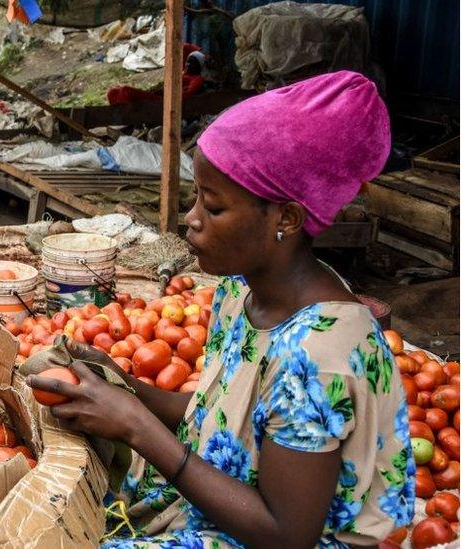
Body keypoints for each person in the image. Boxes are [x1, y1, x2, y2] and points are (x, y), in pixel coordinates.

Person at [27, 71, 415, 548]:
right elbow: (216, 416)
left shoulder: (319, 354)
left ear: (286, 219)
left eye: (212, 207)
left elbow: (286, 534)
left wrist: (136, 427)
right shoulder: (241, 293)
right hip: (220, 508)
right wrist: (121, 384)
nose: (190, 218)